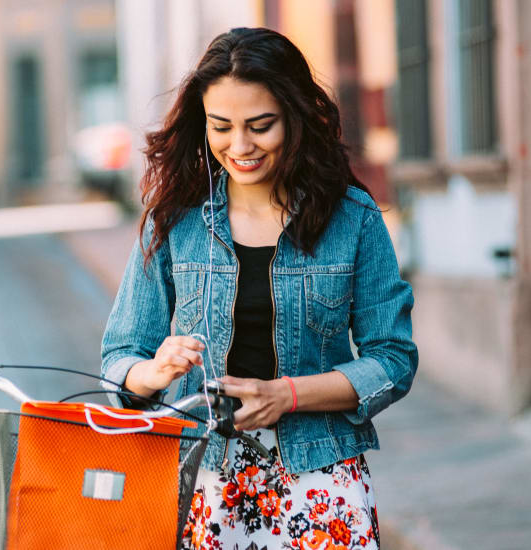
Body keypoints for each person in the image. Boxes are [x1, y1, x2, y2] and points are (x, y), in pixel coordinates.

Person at [101, 27, 417, 550]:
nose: (240, 146)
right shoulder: (175, 222)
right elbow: (119, 358)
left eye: (261, 126)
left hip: (322, 480)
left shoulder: (352, 218)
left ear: (294, 118)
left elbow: (393, 360)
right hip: (202, 478)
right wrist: (151, 372)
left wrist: (287, 396)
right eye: (221, 127)